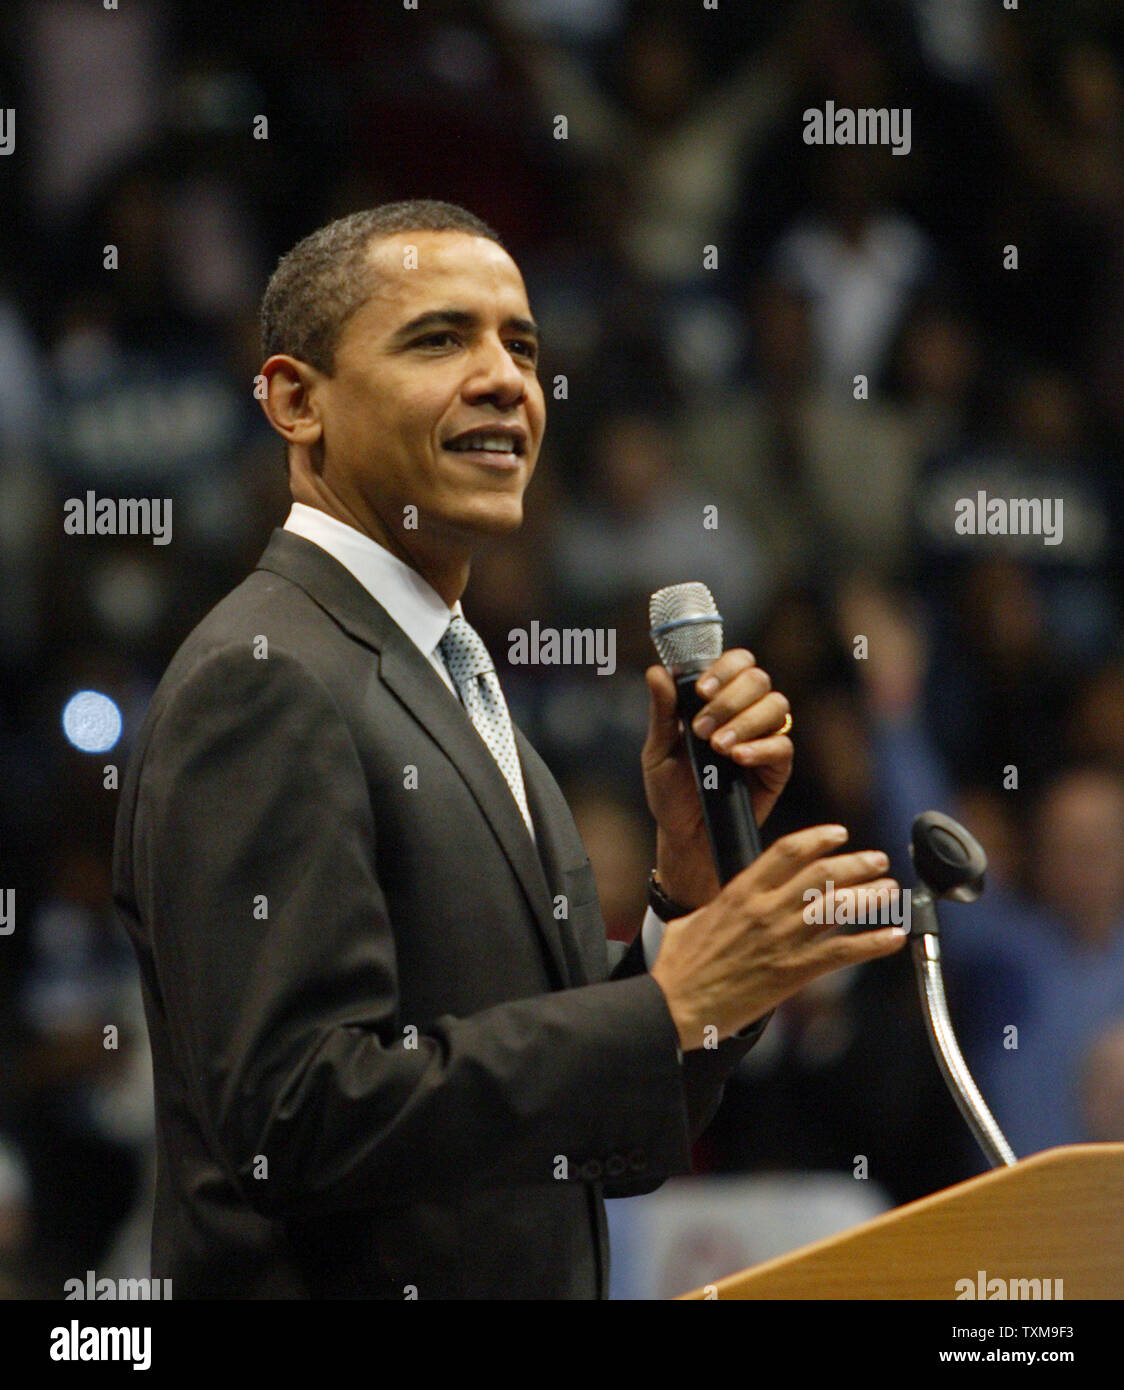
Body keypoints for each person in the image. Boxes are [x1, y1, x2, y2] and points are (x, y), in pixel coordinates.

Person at [111, 200, 905, 1299]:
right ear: (297, 400)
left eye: (521, 345)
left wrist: (685, 892)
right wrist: (664, 1008)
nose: (504, 380)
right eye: (438, 338)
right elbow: (289, 1118)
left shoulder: (452, 682)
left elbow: (611, 1129)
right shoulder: (268, 676)